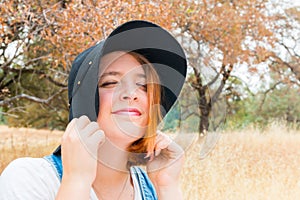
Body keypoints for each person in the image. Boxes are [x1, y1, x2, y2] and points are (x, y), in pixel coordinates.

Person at [0, 20, 187, 200]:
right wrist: (76, 181)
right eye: (110, 82)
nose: (131, 94)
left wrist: (167, 187)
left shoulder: (152, 187)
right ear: (84, 100)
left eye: (143, 85)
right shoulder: (29, 178)